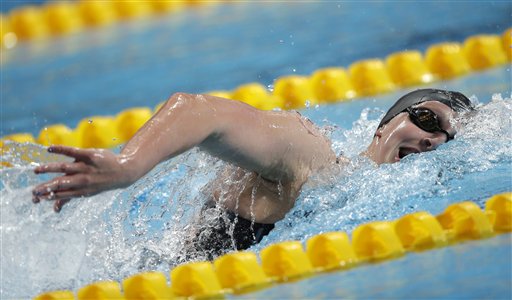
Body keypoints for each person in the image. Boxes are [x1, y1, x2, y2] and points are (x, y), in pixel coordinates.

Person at [31, 88, 474, 258]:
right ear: (386, 124)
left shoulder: (366, 199)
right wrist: (128, 166)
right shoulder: (312, 158)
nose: (432, 139)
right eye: (427, 120)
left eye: (444, 139)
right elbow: (201, 112)